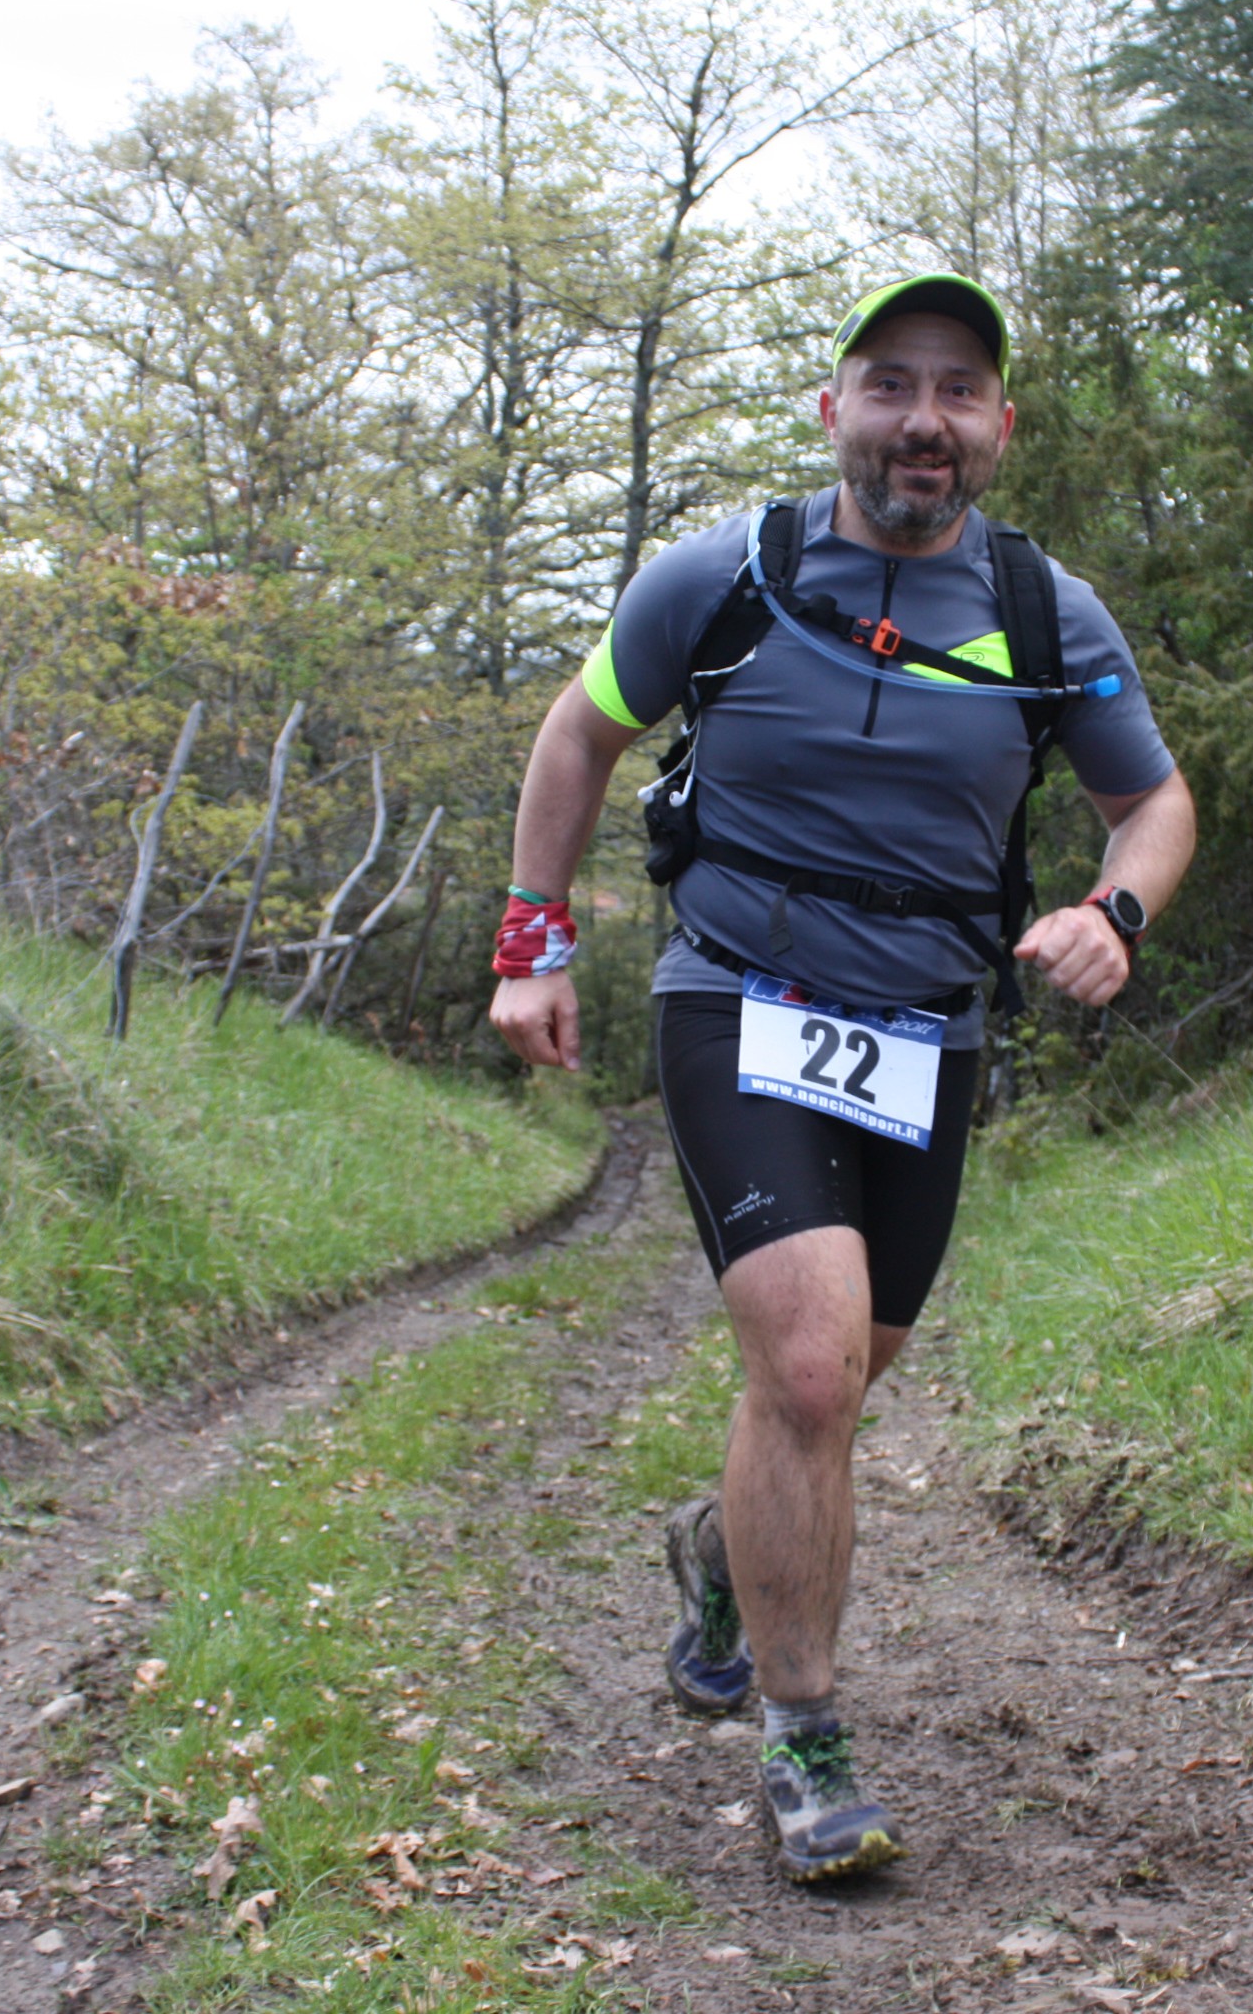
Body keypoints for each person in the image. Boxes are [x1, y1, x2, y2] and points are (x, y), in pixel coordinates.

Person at [488, 274, 1195, 1883]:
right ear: (835, 411)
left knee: (845, 1373)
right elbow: (578, 736)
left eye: (958, 392)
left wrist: (1115, 912)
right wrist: (535, 940)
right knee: (808, 1370)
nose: (922, 422)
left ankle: (725, 1558)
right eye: (891, 386)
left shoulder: (1042, 610)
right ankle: (805, 1745)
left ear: (1000, 427)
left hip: (925, 1031)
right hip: (737, 996)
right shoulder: (723, 577)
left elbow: (1152, 803)